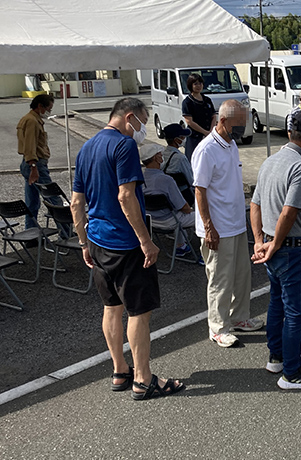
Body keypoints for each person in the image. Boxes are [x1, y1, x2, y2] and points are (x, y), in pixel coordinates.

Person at [70, 97, 184, 400]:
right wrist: (146, 241)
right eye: (143, 121)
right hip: (125, 242)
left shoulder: (87, 148)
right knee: (139, 312)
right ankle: (143, 379)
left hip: (97, 239)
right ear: (129, 117)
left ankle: (120, 370)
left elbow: (76, 202)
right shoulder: (124, 146)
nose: (143, 128)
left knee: (111, 307)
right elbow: (125, 196)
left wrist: (83, 242)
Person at [250, 110, 301, 390]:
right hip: (292, 248)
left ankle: (277, 357)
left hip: (271, 245)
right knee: (295, 312)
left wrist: (260, 241)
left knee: (276, 303)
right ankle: (292, 372)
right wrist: (275, 243)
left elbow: (255, 204)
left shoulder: (271, 161)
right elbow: (289, 211)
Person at [192, 99, 263, 348]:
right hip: (218, 227)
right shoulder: (206, 150)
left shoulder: (231, 144)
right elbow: (199, 191)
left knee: (242, 276)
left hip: (236, 223)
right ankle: (218, 327)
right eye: (238, 124)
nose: (242, 129)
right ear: (222, 121)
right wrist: (208, 227)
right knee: (220, 280)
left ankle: (239, 317)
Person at [140, 144, 196, 258]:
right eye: (160, 155)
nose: (162, 157)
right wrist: (192, 211)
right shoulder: (166, 180)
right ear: (157, 158)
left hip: (149, 220)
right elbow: (183, 207)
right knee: (204, 216)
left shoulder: (140, 177)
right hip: (168, 221)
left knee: (176, 213)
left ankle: (181, 245)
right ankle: (201, 249)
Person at [16, 94, 61, 232]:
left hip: (29, 163)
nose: (49, 112)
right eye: (49, 108)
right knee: (54, 198)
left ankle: (31, 233)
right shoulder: (32, 121)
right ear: (40, 106)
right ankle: (66, 231)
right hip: (35, 164)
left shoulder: (29, 118)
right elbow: (30, 146)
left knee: (32, 201)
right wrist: (34, 166)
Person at [182, 73, 216, 162]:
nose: (198, 86)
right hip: (194, 137)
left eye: (200, 83)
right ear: (190, 85)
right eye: (195, 83)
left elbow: (213, 116)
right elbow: (189, 121)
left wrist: (210, 131)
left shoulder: (207, 100)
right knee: (194, 160)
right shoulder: (187, 102)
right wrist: (204, 132)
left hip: (209, 136)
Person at [162, 123, 195, 206]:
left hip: (167, 193)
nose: (184, 139)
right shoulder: (180, 158)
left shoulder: (162, 154)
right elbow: (191, 180)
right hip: (183, 195)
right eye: (183, 137)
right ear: (176, 140)